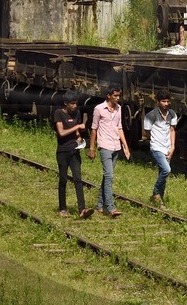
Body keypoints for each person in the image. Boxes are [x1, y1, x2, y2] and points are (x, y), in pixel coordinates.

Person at [88, 88, 130, 217]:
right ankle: (110, 207)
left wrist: (125, 146)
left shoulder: (119, 108)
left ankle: (100, 205)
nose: (118, 98)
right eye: (115, 96)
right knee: (109, 176)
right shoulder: (99, 109)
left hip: (115, 146)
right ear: (108, 96)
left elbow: (120, 128)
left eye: (119, 96)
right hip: (104, 145)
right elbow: (94, 129)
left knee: (107, 176)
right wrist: (92, 148)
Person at [54, 100, 93, 219]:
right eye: (72, 104)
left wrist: (79, 138)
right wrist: (77, 126)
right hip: (62, 151)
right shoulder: (58, 113)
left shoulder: (77, 113)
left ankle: (82, 209)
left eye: (76, 103)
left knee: (78, 179)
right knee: (63, 179)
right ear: (65, 103)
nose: (75, 106)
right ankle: (62, 208)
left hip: (74, 150)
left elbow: (76, 131)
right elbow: (61, 132)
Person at [142, 92, 179, 205]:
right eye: (163, 101)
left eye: (168, 101)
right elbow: (147, 132)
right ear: (158, 102)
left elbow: (172, 130)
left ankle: (159, 200)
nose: (166, 104)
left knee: (162, 173)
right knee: (167, 170)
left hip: (168, 147)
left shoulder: (172, 114)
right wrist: (154, 140)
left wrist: (172, 147)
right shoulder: (151, 115)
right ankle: (155, 192)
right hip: (156, 147)